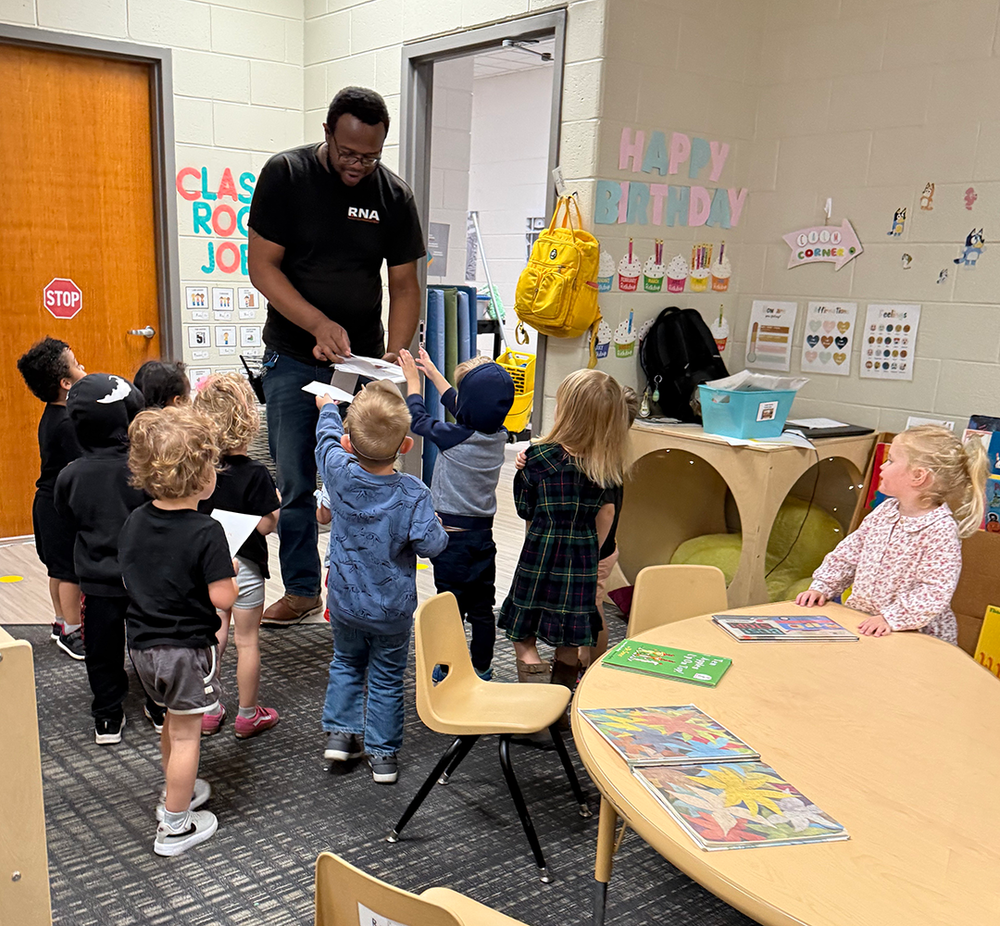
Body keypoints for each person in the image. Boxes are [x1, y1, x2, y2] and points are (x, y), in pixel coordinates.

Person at [248, 86, 426, 626]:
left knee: (369, 471)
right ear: (327, 134)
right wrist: (316, 324)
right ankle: (302, 588)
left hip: (359, 361)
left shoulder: (393, 197)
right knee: (298, 476)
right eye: (348, 154)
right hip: (293, 355)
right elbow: (263, 268)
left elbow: (404, 284)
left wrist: (396, 355)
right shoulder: (286, 176)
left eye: (369, 157)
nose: (357, 165)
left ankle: (358, 586)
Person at [315, 380, 447, 784]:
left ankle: (340, 735)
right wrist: (437, 527)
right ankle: (383, 757)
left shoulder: (339, 474)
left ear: (348, 443)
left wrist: (326, 407)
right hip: (391, 609)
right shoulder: (413, 493)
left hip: (344, 601)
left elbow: (325, 443)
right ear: (405, 445)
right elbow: (432, 545)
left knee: (346, 661)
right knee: (388, 675)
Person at [120, 406, 237, 856]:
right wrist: (226, 575)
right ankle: (175, 826)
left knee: (170, 720)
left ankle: (178, 793)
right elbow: (223, 599)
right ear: (204, 477)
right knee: (188, 733)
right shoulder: (206, 531)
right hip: (185, 650)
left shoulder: (134, 520)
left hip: (142, 648)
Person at [498, 369, 629, 701]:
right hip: (580, 565)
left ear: (564, 412)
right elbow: (607, 516)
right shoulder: (606, 470)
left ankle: (533, 694)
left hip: (538, 557)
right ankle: (558, 708)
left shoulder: (538, 460)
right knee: (570, 643)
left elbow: (525, 510)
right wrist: (584, 551)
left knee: (522, 633)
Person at [796, 425, 988, 643]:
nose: (882, 467)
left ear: (918, 476)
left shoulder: (940, 531)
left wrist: (891, 618)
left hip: (912, 636)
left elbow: (935, 590)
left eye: (891, 461)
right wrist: (823, 587)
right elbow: (848, 554)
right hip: (866, 623)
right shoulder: (884, 512)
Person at [53, 373, 164, 743]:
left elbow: (67, 520)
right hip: (145, 580)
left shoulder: (69, 476)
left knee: (101, 650)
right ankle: (158, 705)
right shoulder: (145, 472)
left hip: (97, 581)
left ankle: (107, 716)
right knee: (150, 643)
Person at [399, 348, 514, 680]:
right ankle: (483, 668)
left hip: (452, 541)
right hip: (483, 539)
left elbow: (418, 420)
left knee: (449, 609)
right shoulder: (498, 435)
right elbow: (460, 404)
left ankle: (446, 671)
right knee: (481, 610)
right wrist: (433, 372)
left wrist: (413, 382)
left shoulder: (455, 438)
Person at [194, 374, 281, 738]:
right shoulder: (256, 474)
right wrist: (274, 504)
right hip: (245, 565)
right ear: (248, 421)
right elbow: (266, 527)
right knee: (248, 640)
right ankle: (248, 714)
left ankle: (208, 708)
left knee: (213, 632)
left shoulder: (199, 472)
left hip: (209, 565)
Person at [16, 337, 87, 658]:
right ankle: (74, 630)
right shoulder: (69, 424)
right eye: (77, 364)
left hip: (46, 503)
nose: (83, 367)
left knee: (58, 569)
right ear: (65, 383)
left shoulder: (52, 415)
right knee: (70, 571)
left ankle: (61, 621)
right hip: (62, 507)